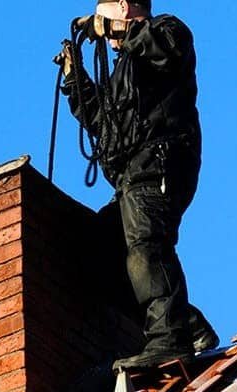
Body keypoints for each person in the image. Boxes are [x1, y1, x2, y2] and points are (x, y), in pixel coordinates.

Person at [59, 0, 218, 371]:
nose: (106, 37)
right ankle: (185, 323)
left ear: (125, 7)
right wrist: (74, 78)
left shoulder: (169, 31)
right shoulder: (123, 71)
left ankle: (169, 339)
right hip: (131, 174)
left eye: (104, 14)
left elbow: (159, 49)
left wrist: (113, 29)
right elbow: (104, 124)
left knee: (147, 246)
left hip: (160, 161)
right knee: (100, 256)